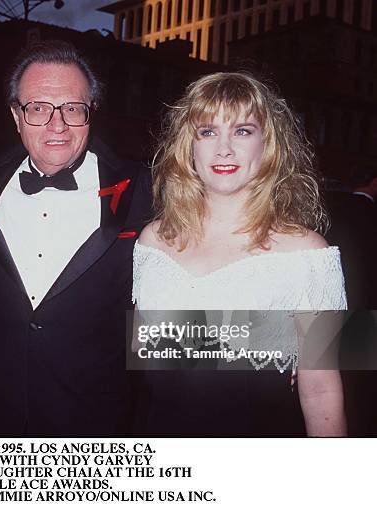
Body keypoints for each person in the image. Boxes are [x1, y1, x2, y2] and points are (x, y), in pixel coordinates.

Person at [133, 72, 347, 436]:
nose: (224, 149)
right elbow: (144, 359)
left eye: (243, 131)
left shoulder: (309, 254)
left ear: (268, 145)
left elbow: (323, 391)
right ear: (189, 146)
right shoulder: (152, 243)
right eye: (207, 131)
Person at [0, 40, 152, 436]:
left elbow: (200, 282)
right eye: (38, 108)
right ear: (16, 116)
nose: (57, 125)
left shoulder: (144, 189)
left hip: (97, 428)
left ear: (91, 115)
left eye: (72, 108)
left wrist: (276, 348)